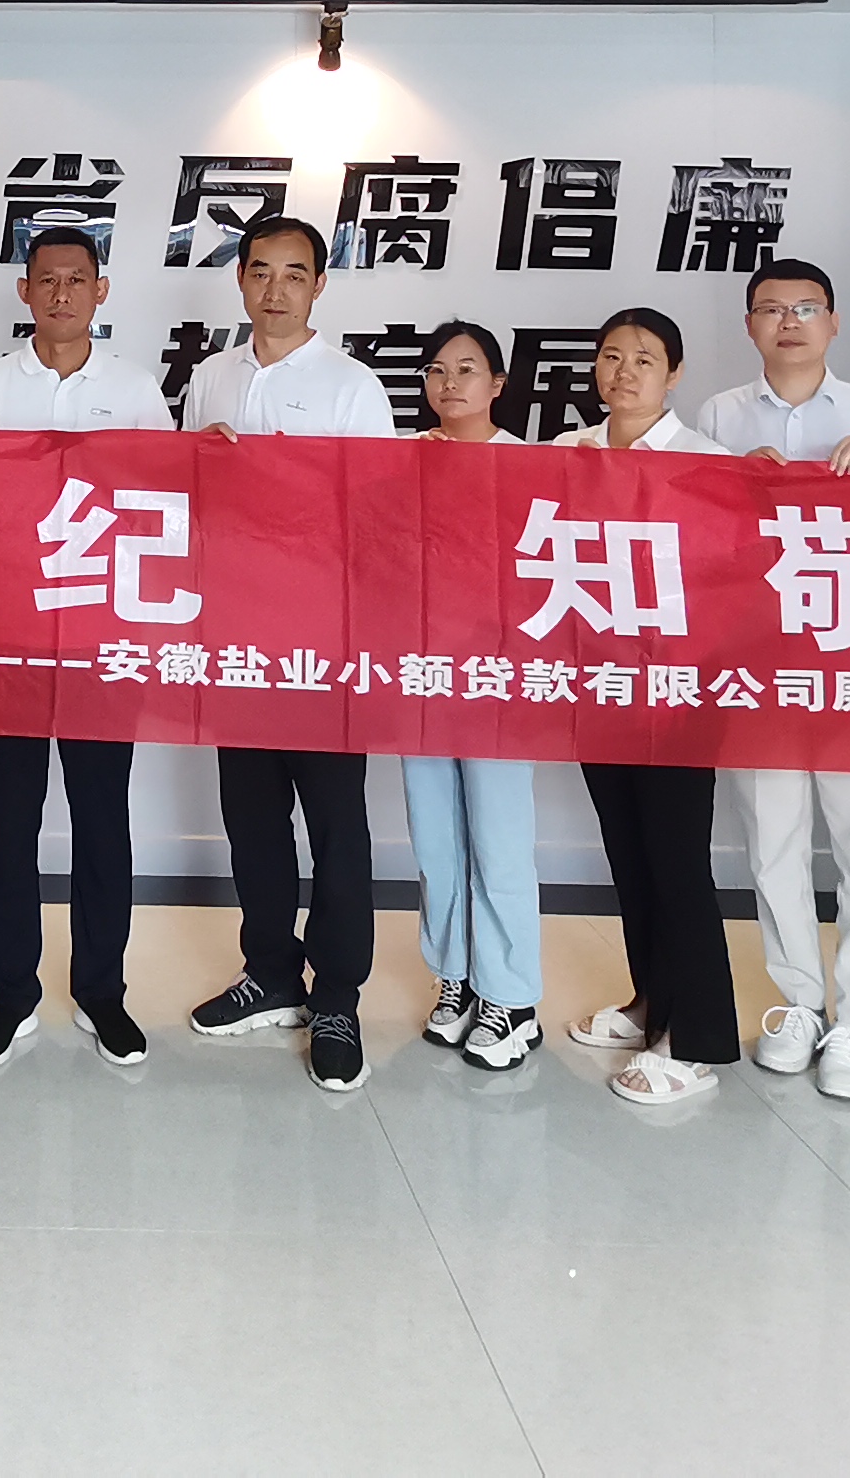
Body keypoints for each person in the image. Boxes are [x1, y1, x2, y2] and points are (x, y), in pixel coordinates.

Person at [0, 226, 167, 1069]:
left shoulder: (135, 388)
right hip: (9, 635)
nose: (62, 294)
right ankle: (10, 994)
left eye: (78, 280)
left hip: (104, 637)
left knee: (103, 819)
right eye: (47, 280)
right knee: (10, 821)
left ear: (101, 292)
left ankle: (103, 992)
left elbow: (166, 500)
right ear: (25, 292)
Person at [693, 258, 850, 1102]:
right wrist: (730, 479)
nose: (789, 322)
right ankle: (797, 1002)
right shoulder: (720, 414)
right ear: (750, 325)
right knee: (773, 836)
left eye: (806, 307)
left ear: (834, 322)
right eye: (771, 309)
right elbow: (700, 535)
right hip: (761, 658)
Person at [181, 214, 394, 1092]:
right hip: (234, 634)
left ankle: (338, 995)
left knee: (337, 825)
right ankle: (271, 970)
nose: (276, 289)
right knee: (254, 817)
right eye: (260, 271)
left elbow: (376, 515)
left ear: (320, 285)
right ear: (240, 280)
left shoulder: (352, 386)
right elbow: (184, 501)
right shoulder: (209, 378)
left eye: (294, 273)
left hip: (323, 639)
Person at [551, 308, 740, 1105]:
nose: (623, 372)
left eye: (644, 358)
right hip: (599, 683)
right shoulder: (567, 452)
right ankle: (651, 1002)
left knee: (676, 859)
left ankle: (696, 1039)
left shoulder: (707, 461)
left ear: (675, 373)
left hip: (677, 689)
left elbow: (729, 578)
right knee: (628, 853)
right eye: (610, 356)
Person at [401, 320, 544, 1071]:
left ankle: (511, 997)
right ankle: (455, 975)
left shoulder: (529, 465)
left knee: (498, 838)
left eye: (466, 369)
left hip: (497, 678)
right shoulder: (402, 461)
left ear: (497, 384)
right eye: (436, 370)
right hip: (421, 674)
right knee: (435, 838)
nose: (449, 383)